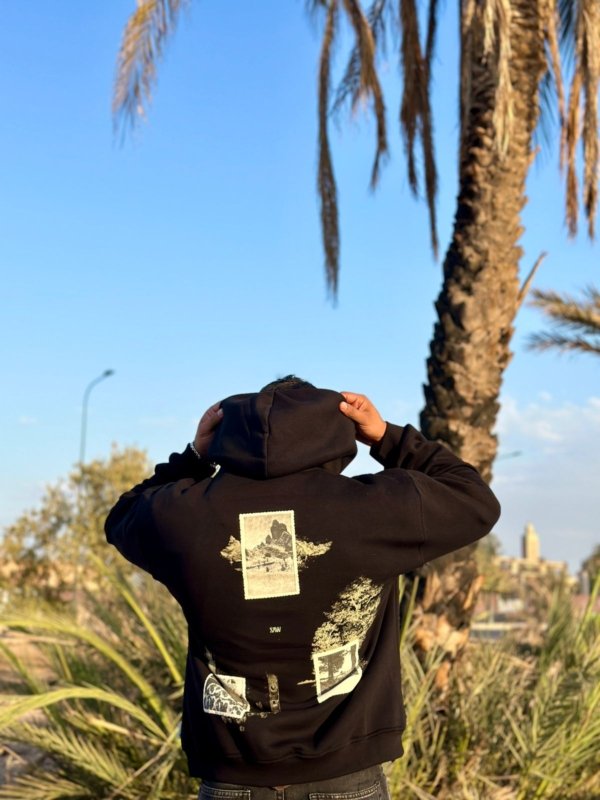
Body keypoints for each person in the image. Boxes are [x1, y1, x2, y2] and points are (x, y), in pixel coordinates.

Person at [105, 377, 500, 799]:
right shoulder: (375, 510)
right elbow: (474, 499)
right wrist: (386, 437)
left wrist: (195, 457)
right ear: (334, 431)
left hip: (231, 776)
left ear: (230, 434)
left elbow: (123, 516)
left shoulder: (183, 516)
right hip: (346, 777)